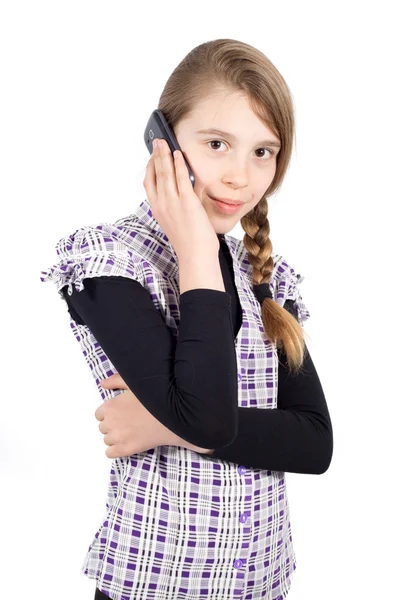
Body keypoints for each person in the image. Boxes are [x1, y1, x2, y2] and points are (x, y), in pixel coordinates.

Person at [40, 38, 333, 600]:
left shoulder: (268, 277)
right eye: (218, 144)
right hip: (156, 582)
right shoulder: (112, 263)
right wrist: (198, 255)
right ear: (164, 142)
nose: (240, 178)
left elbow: (313, 443)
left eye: (262, 152)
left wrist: (158, 422)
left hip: (261, 580)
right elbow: (209, 421)